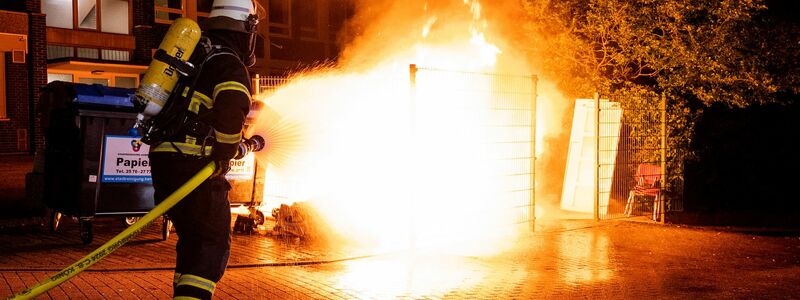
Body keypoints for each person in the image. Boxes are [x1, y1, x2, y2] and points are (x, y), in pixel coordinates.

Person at [148, 1, 262, 299]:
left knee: (193, 242)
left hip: (164, 163)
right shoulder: (228, 63)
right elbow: (232, 111)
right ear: (246, 28)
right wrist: (227, 151)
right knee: (210, 245)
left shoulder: (197, 54)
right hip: (194, 165)